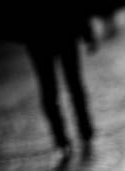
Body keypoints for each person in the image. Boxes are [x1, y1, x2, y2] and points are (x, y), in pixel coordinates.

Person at [20, 4, 97, 162]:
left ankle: (62, 140)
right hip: (61, 31)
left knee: (51, 89)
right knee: (71, 85)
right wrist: (87, 33)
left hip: (39, 37)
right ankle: (82, 131)